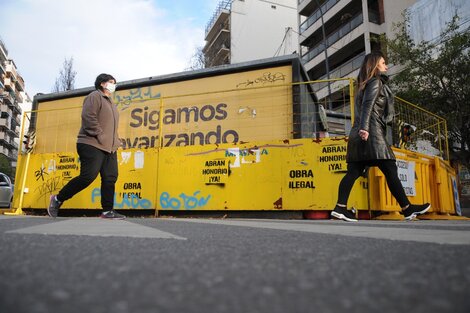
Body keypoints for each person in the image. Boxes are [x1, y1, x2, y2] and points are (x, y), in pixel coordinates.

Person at [331, 51, 430, 222]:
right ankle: (407, 209)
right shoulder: (375, 82)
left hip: (359, 134)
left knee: (353, 172)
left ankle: (340, 208)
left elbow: (364, 107)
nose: (386, 66)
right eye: (383, 63)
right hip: (371, 133)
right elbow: (368, 105)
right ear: (375, 64)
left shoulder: (363, 84)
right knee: (390, 168)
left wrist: (361, 128)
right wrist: (365, 128)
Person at [47, 73, 125, 219]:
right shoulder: (94, 96)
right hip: (91, 143)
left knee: (110, 177)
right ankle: (57, 199)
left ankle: (107, 210)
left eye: (114, 83)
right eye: (111, 82)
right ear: (102, 83)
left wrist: (116, 141)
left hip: (109, 147)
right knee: (88, 177)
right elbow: (88, 117)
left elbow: (111, 127)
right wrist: (100, 135)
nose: (113, 85)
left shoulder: (111, 103)